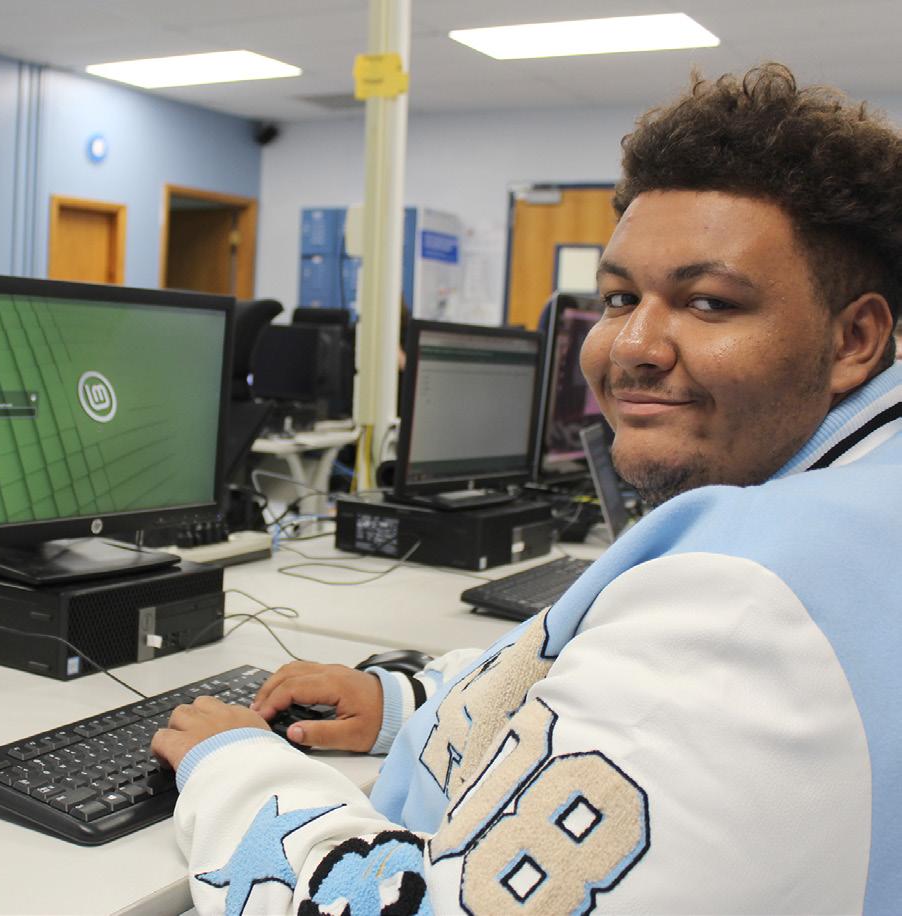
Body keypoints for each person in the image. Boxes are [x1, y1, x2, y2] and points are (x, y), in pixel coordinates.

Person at [152, 64, 902, 914]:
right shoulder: (859, 502)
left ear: (854, 338)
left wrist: (239, 769)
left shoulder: (745, 609)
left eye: (708, 303)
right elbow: (582, 681)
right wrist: (404, 704)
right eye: (619, 297)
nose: (633, 345)